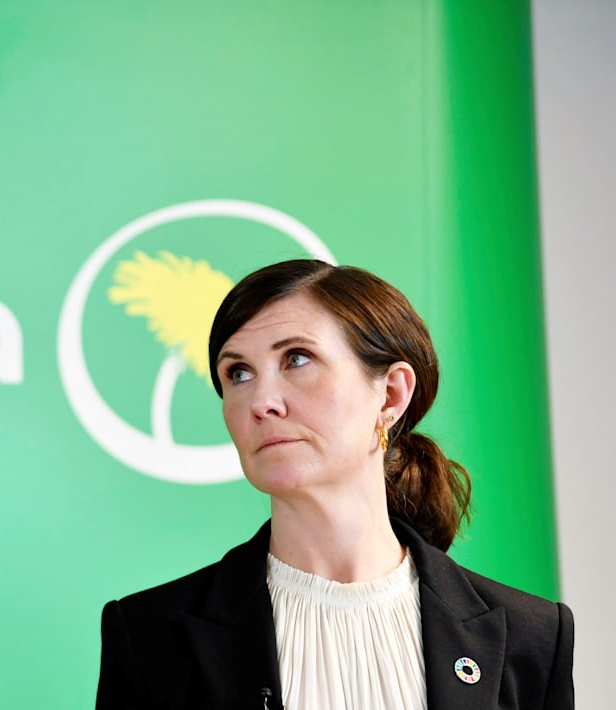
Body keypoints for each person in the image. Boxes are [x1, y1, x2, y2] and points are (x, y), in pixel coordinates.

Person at [96, 259, 574, 709]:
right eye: (238, 373)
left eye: (297, 358)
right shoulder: (150, 635)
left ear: (391, 394)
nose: (261, 402)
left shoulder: (531, 636)